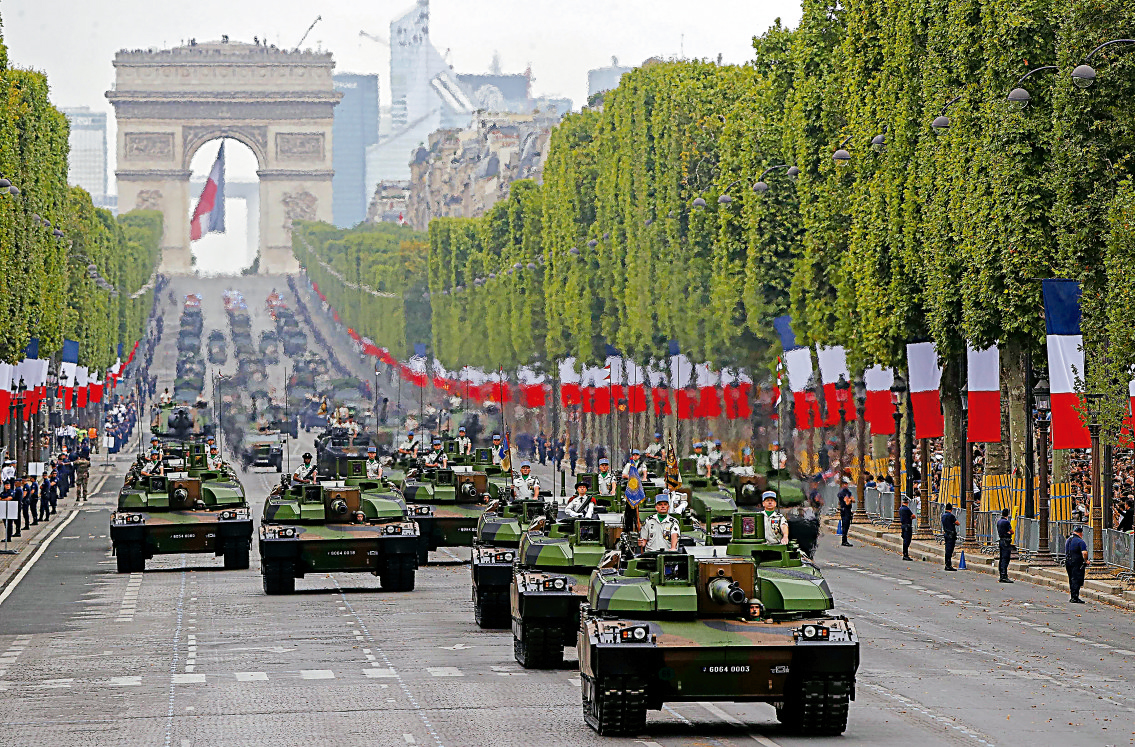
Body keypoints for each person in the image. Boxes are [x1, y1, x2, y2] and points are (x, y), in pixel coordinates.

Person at [1065, 526, 1089, 604]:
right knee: (1077, 579)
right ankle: (1075, 597)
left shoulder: (1068, 540)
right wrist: (1086, 560)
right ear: (1080, 533)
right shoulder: (1080, 541)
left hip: (1068, 561)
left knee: (1071, 578)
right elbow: (1084, 552)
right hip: (1077, 562)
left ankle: (1073, 596)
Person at [997, 508, 1014, 583]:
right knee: (1005, 558)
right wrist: (1009, 533)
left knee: (1001, 558)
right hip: (1006, 541)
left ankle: (1001, 574)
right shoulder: (1006, 522)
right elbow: (1012, 531)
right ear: (1008, 514)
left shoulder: (999, 521)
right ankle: (1004, 575)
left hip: (1001, 540)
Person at [942, 503, 959, 571]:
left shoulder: (943, 515)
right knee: (950, 550)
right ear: (951, 509)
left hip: (946, 533)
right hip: (951, 534)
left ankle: (947, 563)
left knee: (947, 549)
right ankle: (948, 565)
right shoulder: (951, 516)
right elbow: (957, 523)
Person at [900, 496, 914, 561]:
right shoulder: (906, 509)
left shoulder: (901, 508)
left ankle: (905, 554)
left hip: (903, 525)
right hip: (907, 526)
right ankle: (905, 554)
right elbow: (913, 516)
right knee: (907, 540)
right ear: (907, 502)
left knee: (905, 540)